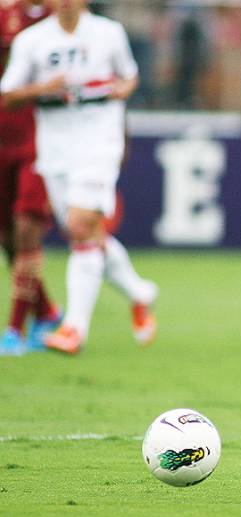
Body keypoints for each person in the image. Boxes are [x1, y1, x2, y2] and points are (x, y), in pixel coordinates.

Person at [0, 0, 157, 355]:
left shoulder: (108, 33)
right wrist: (41, 89)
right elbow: (7, 95)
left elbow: (130, 76)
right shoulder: (32, 40)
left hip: (99, 142)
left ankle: (74, 329)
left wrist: (122, 89)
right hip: (55, 150)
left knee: (80, 224)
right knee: (83, 232)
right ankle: (140, 292)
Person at [0, 0, 59, 356]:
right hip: (2, 139)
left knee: (25, 229)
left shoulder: (62, 20)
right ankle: (47, 312)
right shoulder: (8, 13)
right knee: (7, 237)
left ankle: (13, 329)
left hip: (39, 140)